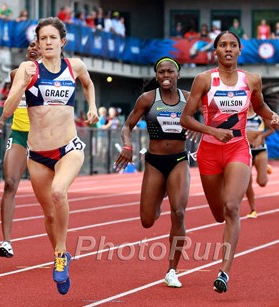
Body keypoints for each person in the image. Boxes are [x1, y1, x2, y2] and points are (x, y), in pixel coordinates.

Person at [0, 17, 98, 295]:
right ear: (38, 43)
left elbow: (89, 84)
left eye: (53, 38)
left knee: (58, 193)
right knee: (49, 215)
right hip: (38, 154)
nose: (48, 43)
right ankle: (60, 252)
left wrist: (92, 108)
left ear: (62, 42)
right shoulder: (27, 69)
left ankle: (59, 254)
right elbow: (7, 110)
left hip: (69, 148)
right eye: (43, 39)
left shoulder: (74, 66)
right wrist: (22, 84)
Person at [180, 31, 279, 293]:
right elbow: (186, 118)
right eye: (222, 45)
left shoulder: (252, 80)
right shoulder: (204, 80)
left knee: (232, 207)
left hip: (238, 149)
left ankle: (224, 271)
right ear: (215, 52)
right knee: (218, 214)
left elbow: (260, 108)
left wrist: (273, 117)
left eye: (232, 45)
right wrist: (212, 131)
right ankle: (223, 223)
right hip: (209, 152)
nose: (227, 49)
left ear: (239, 50)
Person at [114, 56, 190, 288]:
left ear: (177, 74)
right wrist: (127, 146)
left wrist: (206, 131)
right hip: (155, 162)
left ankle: (172, 270)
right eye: (161, 73)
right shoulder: (147, 99)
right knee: (147, 221)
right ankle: (160, 194)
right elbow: (127, 125)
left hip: (178, 160)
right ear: (156, 76)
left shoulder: (188, 98)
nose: (165, 76)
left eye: (169, 72)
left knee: (178, 213)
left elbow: (209, 118)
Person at [0, 40, 41, 258]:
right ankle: (6, 241)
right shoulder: (15, 74)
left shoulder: (54, 74)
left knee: (50, 194)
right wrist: (2, 119)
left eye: (38, 45)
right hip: (20, 134)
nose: (33, 48)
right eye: (31, 45)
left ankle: (59, 243)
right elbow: (11, 100)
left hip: (43, 137)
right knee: (10, 183)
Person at [245, 103, 275, 218]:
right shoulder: (239, 113)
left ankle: (264, 166)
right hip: (245, 151)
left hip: (260, 149)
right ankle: (253, 209)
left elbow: (272, 129)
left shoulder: (260, 113)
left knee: (262, 182)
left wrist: (261, 136)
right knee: (247, 181)